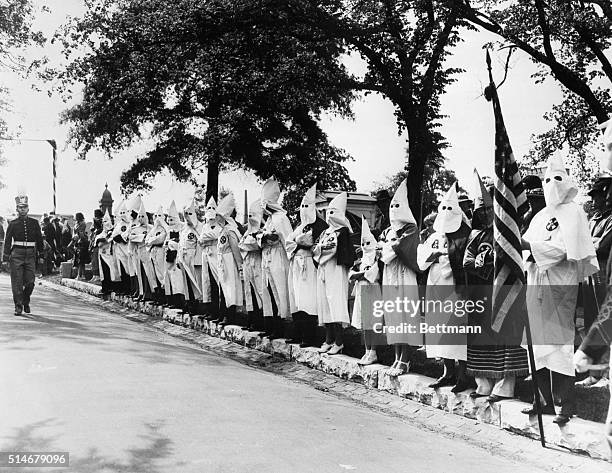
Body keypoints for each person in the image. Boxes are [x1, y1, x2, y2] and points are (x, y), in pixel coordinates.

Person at [522, 154, 599, 425]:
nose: (552, 184)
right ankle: (542, 400)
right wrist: (528, 252)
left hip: (560, 285)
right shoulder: (540, 215)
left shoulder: (574, 212)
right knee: (537, 344)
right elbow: (525, 247)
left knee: (558, 346)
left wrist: (532, 249)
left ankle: (565, 404)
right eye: (547, 179)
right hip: (536, 283)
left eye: (557, 178)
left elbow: (566, 250)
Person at [464, 170, 529, 401]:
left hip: (504, 290)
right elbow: (467, 260)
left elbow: (512, 258)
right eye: (481, 211)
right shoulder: (475, 235)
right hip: (481, 291)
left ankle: (506, 383)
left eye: (489, 210)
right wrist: (479, 263)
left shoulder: (507, 232)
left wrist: (493, 263)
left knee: (504, 335)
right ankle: (484, 381)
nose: (485, 215)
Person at [418, 183, 473, 392]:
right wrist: (433, 256)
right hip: (435, 286)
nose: (447, 213)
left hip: (455, 289)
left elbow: (463, 260)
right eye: (444, 208)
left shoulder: (464, 235)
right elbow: (421, 261)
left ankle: (463, 375)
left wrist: (446, 258)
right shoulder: (434, 236)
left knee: (456, 332)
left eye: (451, 209)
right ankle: (447, 372)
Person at [379, 179, 421, 376]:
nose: (394, 209)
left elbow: (399, 249)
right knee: (393, 316)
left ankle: (406, 358)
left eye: (398, 206)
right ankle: (396, 356)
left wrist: (391, 246)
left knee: (405, 316)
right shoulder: (388, 231)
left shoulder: (411, 229)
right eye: (392, 206)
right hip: (390, 275)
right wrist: (391, 245)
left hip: (405, 275)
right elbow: (381, 252)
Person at [313, 191, 356, 354]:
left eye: (333, 212)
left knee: (335, 303)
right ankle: (328, 339)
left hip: (336, 270)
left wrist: (320, 250)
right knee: (324, 304)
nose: (330, 215)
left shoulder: (342, 232)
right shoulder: (326, 232)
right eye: (328, 211)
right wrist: (319, 251)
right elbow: (317, 248)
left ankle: (339, 341)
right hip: (324, 269)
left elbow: (330, 249)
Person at [286, 183, 327, 347]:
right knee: (296, 299)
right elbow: (289, 242)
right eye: (302, 206)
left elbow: (319, 246)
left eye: (307, 206)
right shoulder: (299, 226)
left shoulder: (320, 226)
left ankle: (309, 336)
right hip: (297, 263)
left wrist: (307, 246)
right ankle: (298, 333)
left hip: (310, 265)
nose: (304, 209)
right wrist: (299, 245)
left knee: (308, 300)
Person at [259, 178, 293, 339]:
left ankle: (284, 327)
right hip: (268, 258)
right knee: (270, 291)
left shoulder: (281, 218)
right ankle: (273, 326)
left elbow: (287, 239)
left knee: (281, 292)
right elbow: (263, 236)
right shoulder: (270, 219)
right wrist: (263, 238)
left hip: (279, 257)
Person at [2, 192, 44, 315]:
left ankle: (26, 300)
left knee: (30, 281)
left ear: (28, 208)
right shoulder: (13, 224)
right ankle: (18, 306)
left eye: (24, 207)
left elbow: (40, 240)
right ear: (17, 209)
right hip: (17, 254)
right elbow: (8, 241)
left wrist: (41, 255)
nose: (23, 209)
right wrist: (5, 258)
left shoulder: (34, 223)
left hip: (31, 254)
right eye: (20, 207)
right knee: (17, 282)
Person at [350, 215, 382, 365]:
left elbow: (373, 274)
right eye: (363, 243)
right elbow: (351, 274)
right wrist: (359, 275)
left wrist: (360, 275)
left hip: (373, 291)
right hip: (362, 290)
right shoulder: (361, 259)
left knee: (372, 321)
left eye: (368, 242)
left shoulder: (376, 257)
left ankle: (374, 351)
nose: (365, 246)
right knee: (364, 322)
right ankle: (367, 350)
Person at [214, 193, 243, 326]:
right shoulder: (222, 230)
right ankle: (222, 314)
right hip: (222, 262)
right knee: (223, 288)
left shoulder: (230, 231)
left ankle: (230, 315)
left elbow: (235, 249)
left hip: (229, 262)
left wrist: (239, 266)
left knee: (230, 289)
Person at [239, 199, 266, 332]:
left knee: (259, 291)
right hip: (247, 262)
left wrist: (248, 245)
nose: (251, 219)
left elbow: (255, 245)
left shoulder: (262, 230)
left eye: (253, 215)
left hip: (257, 262)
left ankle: (261, 321)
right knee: (249, 292)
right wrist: (248, 244)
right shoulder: (247, 232)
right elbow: (242, 244)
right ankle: (252, 319)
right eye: (249, 216)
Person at [179, 199, 204, 314]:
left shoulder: (200, 227)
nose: (187, 217)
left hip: (194, 257)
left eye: (190, 214)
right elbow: (181, 244)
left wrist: (198, 259)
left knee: (196, 282)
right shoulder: (184, 229)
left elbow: (201, 243)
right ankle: (189, 304)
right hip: (184, 257)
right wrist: (179, 259)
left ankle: (198, 306)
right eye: (185, 214)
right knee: (186, 282)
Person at [163, 201, 187, 308]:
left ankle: (179, 302)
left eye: (172, 219)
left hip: (177, 256)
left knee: (178, 279)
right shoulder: (168, 229)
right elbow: (166, 241)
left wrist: (173, 242)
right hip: (169, 256)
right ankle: (170, 300)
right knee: (168, 278)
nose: (170, 221)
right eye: (169, 219)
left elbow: (181, 241)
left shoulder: (181, 227)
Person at [144, 206, 168, 305]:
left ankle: (164, 297)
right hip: (152, 252)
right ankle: (157, 297)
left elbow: (161, 239)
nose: (157, 218)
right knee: (153, 274)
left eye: (160, 216)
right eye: (156, 216)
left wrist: (152, 240)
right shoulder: (153, 229)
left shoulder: (164, 229)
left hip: (160, 252)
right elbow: (147, 240)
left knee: (161, 274)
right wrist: (152, 240)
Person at [130, 201, 153, 301]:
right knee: (139, 273)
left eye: (142, 216)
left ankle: (149, 293)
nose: (140, 219)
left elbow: (151, 238)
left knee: (148, 273)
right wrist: (142, 237)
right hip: (138, 251)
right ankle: (141, 292)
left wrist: (142, 238)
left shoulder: (151, 228)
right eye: (139, 216)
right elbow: (131, 238)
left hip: (148, 252)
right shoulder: (135, 228)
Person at [96, 209, 120, 295]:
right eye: (103, 222)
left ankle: (114, 288)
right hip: (103, 254)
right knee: (104, 271)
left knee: (113, 271)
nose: (105, 223)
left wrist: (105, 240)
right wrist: (104, 239)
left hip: (111, 254)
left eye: (107, 221)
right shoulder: (100, 233)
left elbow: (110, 240)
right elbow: (98, 242)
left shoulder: (113, 231)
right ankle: (105, 288)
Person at [111, 200, 132, 294]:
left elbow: (128, 235)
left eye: (124, 212)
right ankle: (123, 289)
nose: (123, 214)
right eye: (121, 213)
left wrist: (122, 238)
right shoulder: (118, 224)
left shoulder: (130, 224)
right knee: (121, 270)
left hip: (126, 249)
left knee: (129, 269)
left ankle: (129, 289)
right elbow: (113, 235)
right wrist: (116, 238)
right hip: (119, 250)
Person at [72, 212, 90, 280]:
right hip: (77, 242)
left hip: (82, 242)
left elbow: (81, 233)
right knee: (79, 260)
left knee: (81, 260)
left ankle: (80, 275)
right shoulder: (77, 224)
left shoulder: (83, 224)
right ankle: (82, 275)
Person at [89, 209, 103, 282]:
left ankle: (97, 275)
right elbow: (92, 229)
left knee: (97, 260)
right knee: (93, 261)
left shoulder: (101, 222)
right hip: (93, 244)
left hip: (98, 244)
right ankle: (94, 275)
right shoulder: (94, 229)